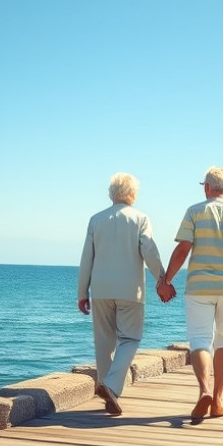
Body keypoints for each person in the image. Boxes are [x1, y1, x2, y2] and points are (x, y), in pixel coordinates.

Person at [159, 166, 223, 420]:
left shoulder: (195, 212)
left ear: (206, 187)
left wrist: (166, 280)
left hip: (199, 287)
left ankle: (204, 390)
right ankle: (218, 400)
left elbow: (182, 249)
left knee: (200, 341)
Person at [78, 173, 175, 416]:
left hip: (100, 290)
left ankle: (107, 392)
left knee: (104, 342)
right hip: (131, 291)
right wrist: (162, 279)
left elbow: (86, 259)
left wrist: (82, 292)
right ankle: (110, 387)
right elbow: (149, 251)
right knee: (130, 339)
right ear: (133, 194)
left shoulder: (96, 220)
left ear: (111, 194)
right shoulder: (140, 219)